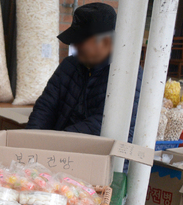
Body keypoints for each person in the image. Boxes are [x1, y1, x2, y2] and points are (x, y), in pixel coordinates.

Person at [27, 3, 142, 141]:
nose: (75, 46)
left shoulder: (126, 74)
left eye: (81, 42)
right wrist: (31, 139)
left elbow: (101, 126)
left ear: (105, 42)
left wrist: (56, 141)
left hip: (98, 155)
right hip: (59, 147)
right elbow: (45, 107)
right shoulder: (69, 66)